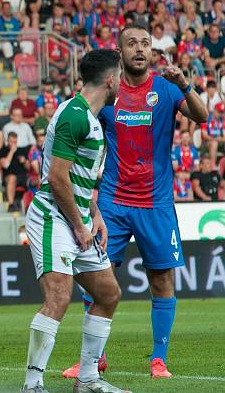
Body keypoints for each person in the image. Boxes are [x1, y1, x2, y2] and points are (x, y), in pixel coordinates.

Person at [64, 24, 208, 381]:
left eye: (145, 43)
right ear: (120, 51)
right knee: (96, 278)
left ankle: (158, 359)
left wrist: (184, 84)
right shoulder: (108, 94)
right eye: (132, 43)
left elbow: (203, 116)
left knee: (161, 280)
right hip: (112, 202)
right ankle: (95, 359)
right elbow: (80, 127)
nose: (140, 49)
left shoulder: (165, 87)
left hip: (155, 203)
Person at [22, 49, 129, 393]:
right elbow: (56, 178)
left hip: (79, 218)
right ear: (111, 81)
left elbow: (78, 179)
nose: (124, 83)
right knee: (58, 297)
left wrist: (94, 215)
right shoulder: (75, 116)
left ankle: (88, 378)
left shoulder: (90, 117)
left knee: (108, 293)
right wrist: (79, 225)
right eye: (122, 76)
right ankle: (33, 383)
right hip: (54, 217)